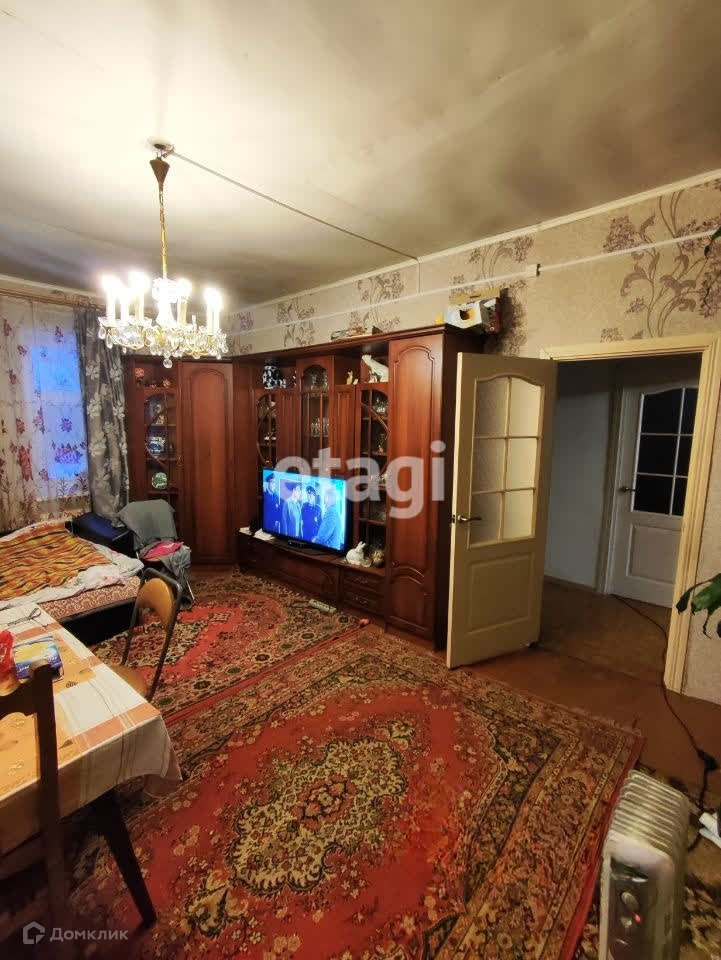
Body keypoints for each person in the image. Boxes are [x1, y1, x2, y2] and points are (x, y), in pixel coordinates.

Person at [313, 484, 343, 550]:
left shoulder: (331, 512)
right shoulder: (334, 511)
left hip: (328, 551)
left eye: (325, 497)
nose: (324, 501)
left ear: (328, 498)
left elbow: (322, 537)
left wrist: (313, 541)